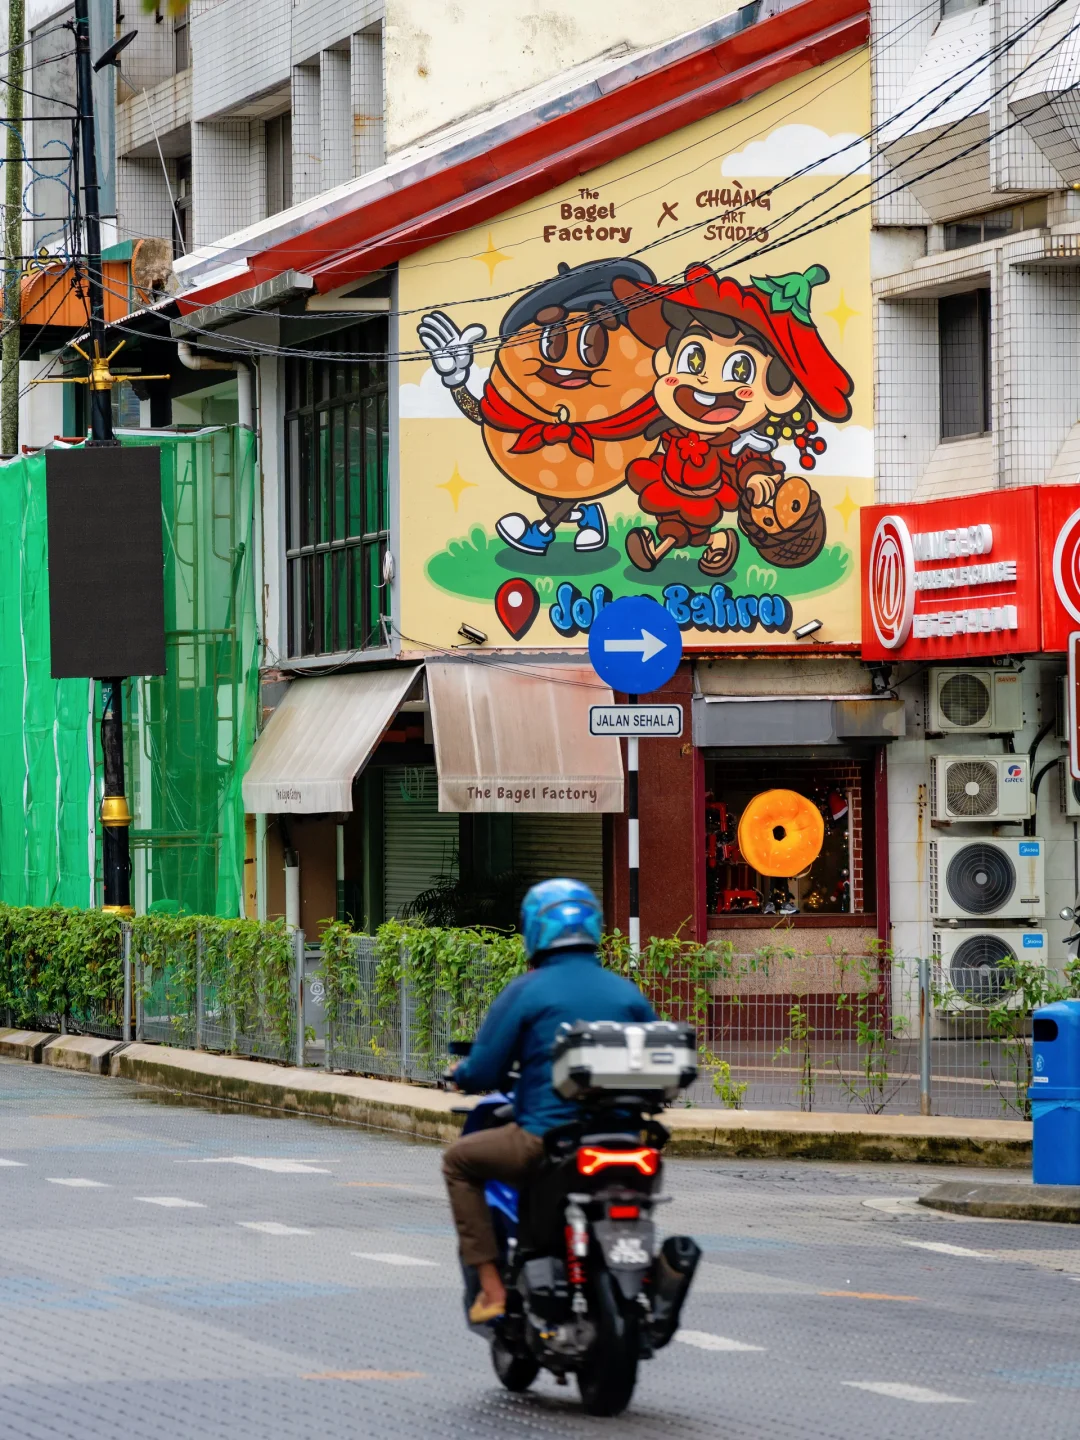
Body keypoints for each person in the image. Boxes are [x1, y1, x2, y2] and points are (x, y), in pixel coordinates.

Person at [442, 878, 657, 1324]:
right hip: (626, 1139)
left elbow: (484, 1071)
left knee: (459, 1161)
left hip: (547, 1138)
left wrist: (458, 1074)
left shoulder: (527, 990)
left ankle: (492, 1289)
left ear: (534, 931)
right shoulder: (625, 991)